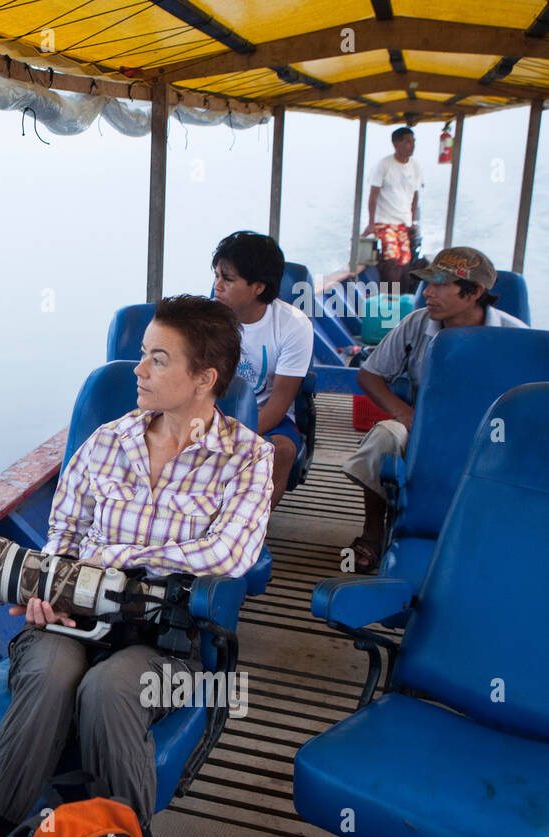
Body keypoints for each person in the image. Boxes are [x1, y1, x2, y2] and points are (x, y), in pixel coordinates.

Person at [0, 295, 274, 837]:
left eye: (158, 359)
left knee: (110, 689)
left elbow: (232, 552)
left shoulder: (248, 457)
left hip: (168, 635)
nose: (138, 369)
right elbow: (65, 533)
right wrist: (49, 589)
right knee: (52, 674)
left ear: (204, 378)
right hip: (75, 613)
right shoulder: (108, 441)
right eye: (142, 354)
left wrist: (115, 563)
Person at [343, 246, 526, 571]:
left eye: (441, 285)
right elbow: (369, 376)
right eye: (427, 283)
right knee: (383, 438)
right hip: (424, 427)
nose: (427, 292)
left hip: (491, 435)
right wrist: (404, 414)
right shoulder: (415, 325)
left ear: (474, 293)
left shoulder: (516, 337)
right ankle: (372, 534)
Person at [211, 231, 314, 507]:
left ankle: (254, 530)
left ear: (258, 287)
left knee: (282, 450)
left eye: (228, 279)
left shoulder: (294, 326)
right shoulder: (206, 321)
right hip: (213, 410)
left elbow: (280, 401)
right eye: (216, 276)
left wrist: (232, 437)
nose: (216, 286)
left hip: (269, 415)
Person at [362, 127, 424, 288]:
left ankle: (402, 295)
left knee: (405, 260)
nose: (412, 145)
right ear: (395, 144)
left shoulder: (415, 166)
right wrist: (371, 223)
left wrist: (413, 222)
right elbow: (373, 195)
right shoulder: (384, 165)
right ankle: (389, 296)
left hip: (403, 222)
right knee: (392, 257)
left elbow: (415, 195)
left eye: (413, 141)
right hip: (385, 221)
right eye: (408, 142)